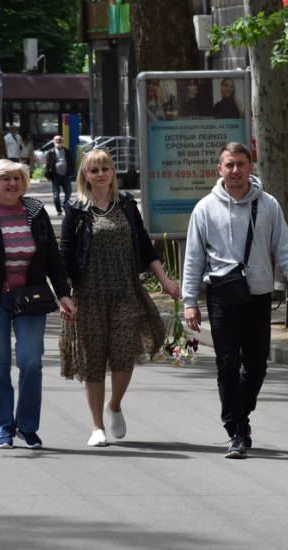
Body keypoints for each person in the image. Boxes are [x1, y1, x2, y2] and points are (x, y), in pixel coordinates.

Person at [182, 142, 288, 459]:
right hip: (222, 296)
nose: (235, 170)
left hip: (258, 293)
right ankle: (236, 430)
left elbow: (284, 247)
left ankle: (241, 416)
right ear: (219, 169)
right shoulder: (205, 208)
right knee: (227, 363)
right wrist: (189, 301)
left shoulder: (267, 205)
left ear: (251, 167)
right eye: (229, 165)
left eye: (241, 164)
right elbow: (194, 258)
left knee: (256, 365)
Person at [59, 149, 181, 447]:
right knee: (94, 360)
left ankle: (114, 405)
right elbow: (64, 255)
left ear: (113, 172)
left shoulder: (126, 204)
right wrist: (64, 295)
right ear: (84, 176)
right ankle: (97, 427)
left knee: (124, 353)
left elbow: (145, 247)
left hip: (126, 290)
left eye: (105, 168)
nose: (100, 174)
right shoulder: (76, 209)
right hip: (89, 294)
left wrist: (165, 280)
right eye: (94, 170)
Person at [0, 159, 76, 449]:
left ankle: (28, 427)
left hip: (30, 300)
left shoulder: (35, 212)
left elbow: (53, 260)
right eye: (5, 179)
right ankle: (3, 429)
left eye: (18, 178)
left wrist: (64, 294)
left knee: (31, 361)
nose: (13, 183)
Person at [44, 135, 75, 216]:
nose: (58, 142)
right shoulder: (50, 152)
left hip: (66, 176)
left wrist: (71, 172)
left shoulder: (67, 152)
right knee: (56, 195)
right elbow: (47, 164)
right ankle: (59, 210)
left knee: (68, 193)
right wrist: (48, 175)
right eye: (56, 140)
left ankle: (64, 205)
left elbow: (71, 162)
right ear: (53, 142)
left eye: (59, 140)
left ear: (62, 141)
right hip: (55, 176)